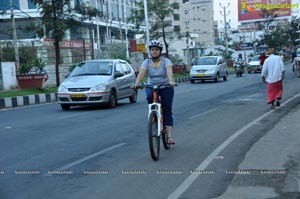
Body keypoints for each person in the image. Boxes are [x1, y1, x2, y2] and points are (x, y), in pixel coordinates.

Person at [133, 40, 176, 144]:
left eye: (156, 49)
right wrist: (136, 83)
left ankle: (169, 136)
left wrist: (170, 81)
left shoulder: (166, 61)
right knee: (149, 97)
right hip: (151, 85)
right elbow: (142, 73)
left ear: (160, 51)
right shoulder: (146, 62)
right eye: (152, 49)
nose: (154, 51)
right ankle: (153, 114)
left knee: (167, 110)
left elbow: (169, 71)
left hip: (165, 86)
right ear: (150, 51)